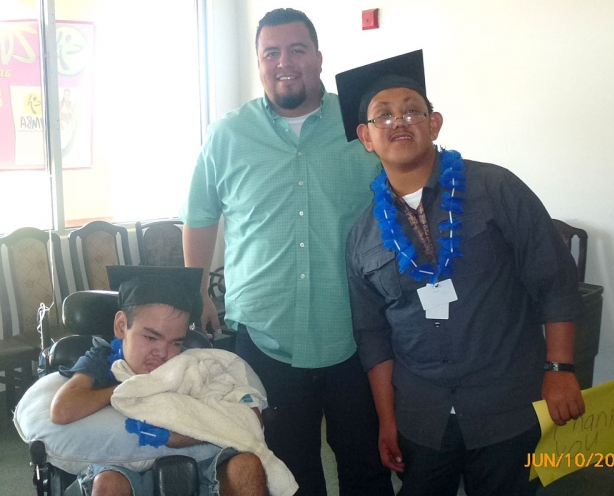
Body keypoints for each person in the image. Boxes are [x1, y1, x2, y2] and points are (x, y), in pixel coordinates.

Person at [336, 50, 586, 496]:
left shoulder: (496, 188)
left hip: (506, 404)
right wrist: (388, 420)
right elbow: (372, 335)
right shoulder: (362, 236)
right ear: (366, 137)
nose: (399, 122)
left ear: (434, 124)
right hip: (421, 417)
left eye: (413, 110)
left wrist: (560, 368)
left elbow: (554, 279)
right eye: (383, 116)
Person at [180, 8, 393, 496]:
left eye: (297, 49)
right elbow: (200, 216)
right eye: (270, 52)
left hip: (356, 333)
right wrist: (198, 292)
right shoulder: (227, 136)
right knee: (287, 471)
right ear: (258, 63)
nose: (284, 62)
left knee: (366, 465)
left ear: (318, 58)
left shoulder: (363, 127)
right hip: (265, 338)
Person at [50, 265, 268, 496]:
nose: (163, 353)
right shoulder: (100, 362)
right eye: (151, 337)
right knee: (108, 482)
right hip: (122, 465)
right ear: (122, 325)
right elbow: (62, 411)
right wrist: (132, 391)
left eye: (175, 342)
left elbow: (250, 415)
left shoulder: (193, 363)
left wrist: (180, 437)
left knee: (247, 467)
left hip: (200, 462)